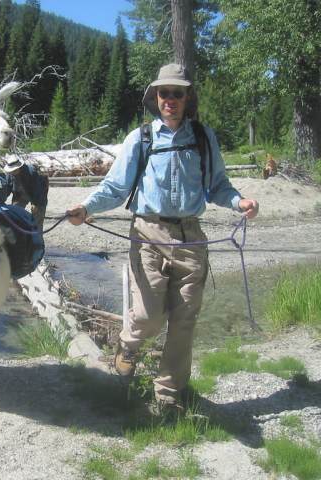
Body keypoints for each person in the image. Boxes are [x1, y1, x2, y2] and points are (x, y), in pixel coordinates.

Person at [66, 63, 259, 413]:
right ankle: (128, 345)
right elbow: (115, 187)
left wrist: (239, 202)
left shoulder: (203, 137)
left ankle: (168, 395)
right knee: (149, 317)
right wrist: (86, 207)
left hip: (191, 238)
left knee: (184, 321)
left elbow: (218, 186)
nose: (170, 99)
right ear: (155, 98)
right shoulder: (140, 138)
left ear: (187, 98)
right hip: (148, 234)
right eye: (164, 93)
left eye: (177, 93)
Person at [0, 158, 49, 230]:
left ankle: (37, 235)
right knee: (15, 214)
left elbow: (38, 189)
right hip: (20, 195)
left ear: (19, 167)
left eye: (14, 170)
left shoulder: (32, 172)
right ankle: (19, 233)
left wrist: (36, 203)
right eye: (11, 171)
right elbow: (7, 188)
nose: (13, 172)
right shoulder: (10, 174)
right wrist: (0, 200)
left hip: (38, 194)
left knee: (37, 219)